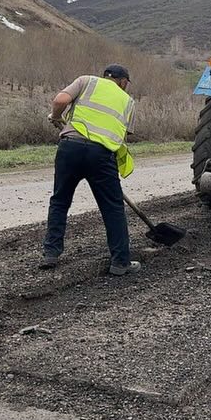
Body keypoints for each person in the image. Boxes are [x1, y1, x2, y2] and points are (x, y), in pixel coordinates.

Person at [41, 64, 140, 276]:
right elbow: (125, 135)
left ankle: (51, 253)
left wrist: (57, 116)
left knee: (59, 201)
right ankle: (120, 262)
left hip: (70, 148)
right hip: (101, 155)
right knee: (112, 208)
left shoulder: (86, 80)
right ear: (123, 82)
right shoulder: (128, 101)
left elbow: (59, 101)